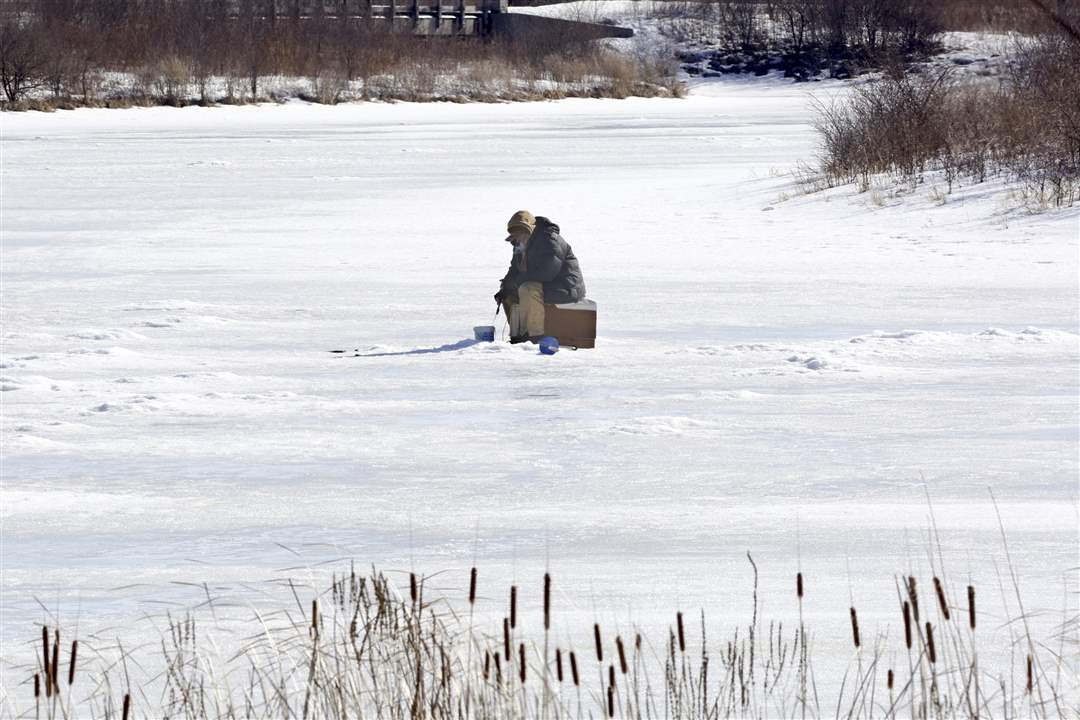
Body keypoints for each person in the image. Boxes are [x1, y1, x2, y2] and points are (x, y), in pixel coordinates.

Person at [494, 211, 586, 344]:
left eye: (519, 235)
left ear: (528, 231)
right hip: (547, 286)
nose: (516, 240)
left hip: (566, 287)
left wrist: (517, 282)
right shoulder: (520, 245)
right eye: (514, 237)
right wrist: (505, 289)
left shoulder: (549, 240)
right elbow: (514, 270)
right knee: (509, 294)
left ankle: (534, 336)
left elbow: (547, 272)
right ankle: (518, 335)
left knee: (527, 288)